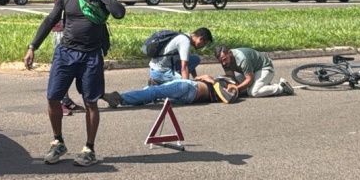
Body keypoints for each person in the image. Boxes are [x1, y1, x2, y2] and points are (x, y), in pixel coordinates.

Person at [24, 0, 126, 166]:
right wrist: (33, 46)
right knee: (53, 97)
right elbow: (50, 20)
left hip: (91, 55)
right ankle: (58, 142)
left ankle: (89, 149)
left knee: (91, 102)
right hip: (66, 53)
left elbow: (118, 13)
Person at [52, 0, 85, 116]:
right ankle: (59, 102)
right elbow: (73, 1)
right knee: (63, 67)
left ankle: (65, 100)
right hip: (63, 29)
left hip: (69, 28)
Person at [103, 75, 238, 107]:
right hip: (188, 89)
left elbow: (229, 98)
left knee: (154, 93)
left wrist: (213, 81)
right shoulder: (220, 82)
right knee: (154, 92)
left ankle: (121, 98)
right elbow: (197, 78)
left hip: (188, 94)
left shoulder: (226, 86)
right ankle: (121, 98)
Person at [215, 44, 294, 97]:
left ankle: (282, 87)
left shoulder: (242, 58)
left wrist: (236, 88)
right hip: (251, 72)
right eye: (221, 61)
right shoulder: (225, 62)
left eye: (225, 59)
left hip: (265, 69)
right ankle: (264, 85)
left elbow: (249, 79)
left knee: (253, 92)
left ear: (229, 53)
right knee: (240, 90)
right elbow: (231, 78)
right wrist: (231, 86)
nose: (224, 63)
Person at [149, 28, 213, 85]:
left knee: (195, 58)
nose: (203, 46)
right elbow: (184, 68)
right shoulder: (185, 42)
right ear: (200, 39)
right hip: (160, 71)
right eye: (204, 43)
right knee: (181, 84)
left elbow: (187, 62)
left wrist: (195, 77)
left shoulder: (185, 36)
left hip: (167, 65)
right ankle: (156, 82)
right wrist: (187, 85)